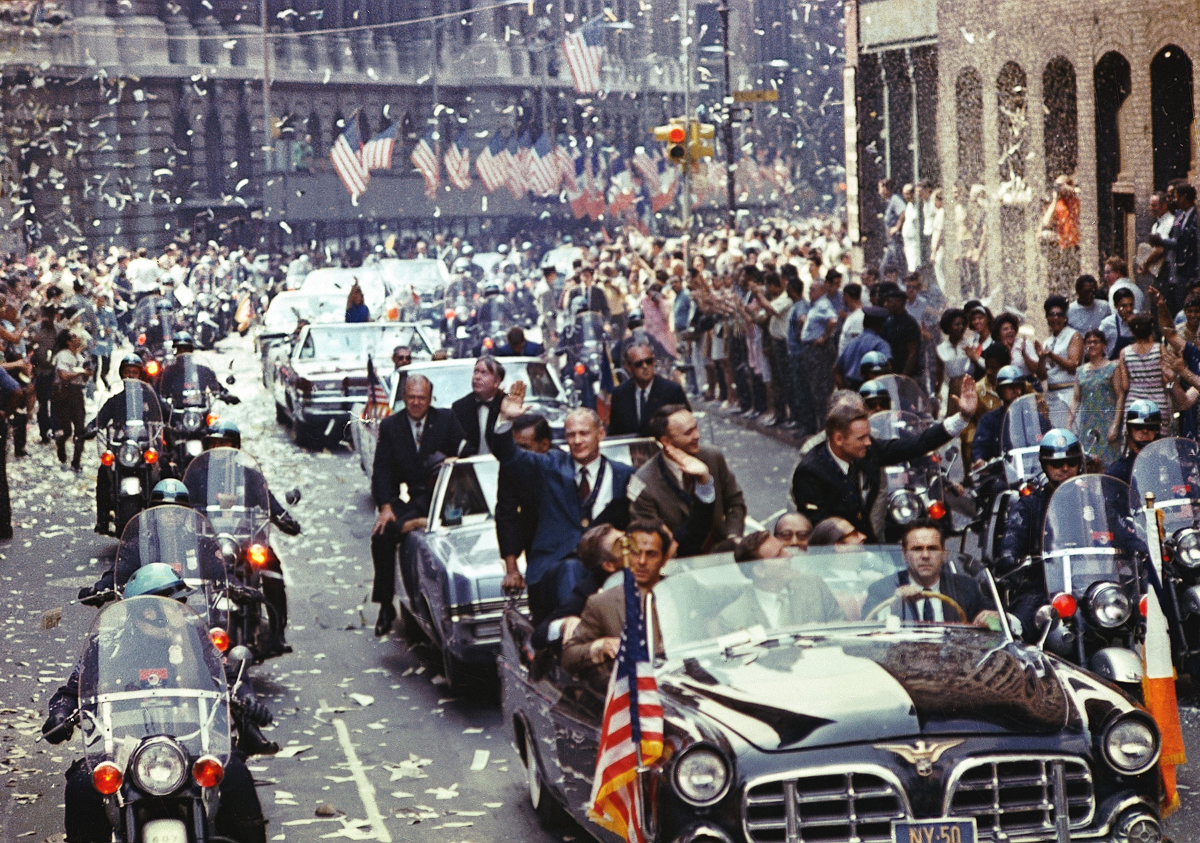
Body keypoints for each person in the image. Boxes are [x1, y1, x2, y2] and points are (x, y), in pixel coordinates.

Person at [43, 590, 269, 843]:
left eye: (180, 602)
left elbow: (227, 676)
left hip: (194, 739)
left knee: (236, 775)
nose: (180, 608)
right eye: (174, 602)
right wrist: (60, 714)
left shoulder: (197, 637)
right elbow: (72, 690)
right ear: (146, 612)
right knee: (82, 788)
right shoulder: (105, 645)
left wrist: (247, 698)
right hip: (120, 747)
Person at [495, 385, 635, 624]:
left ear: (600, 435)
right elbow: (510, 456)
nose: (577, 441)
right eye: (571, 435)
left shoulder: (624, 475)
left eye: (584, 433)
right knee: (571, 570)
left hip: (606, 566)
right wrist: (505, 421)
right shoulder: (550, 466)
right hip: (554, 567)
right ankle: (574, 639)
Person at [790, 375, 978, 543]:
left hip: (871, 543)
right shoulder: (810, 471)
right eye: (861, 438)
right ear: (838, 438)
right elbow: (818, 529)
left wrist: (963, 417)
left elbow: (917, 444)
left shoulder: (869, 449)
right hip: (835, 555)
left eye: (868, 436)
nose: (868, 443)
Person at [370, 375, 465, 636]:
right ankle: (386, 605)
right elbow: (382, 470)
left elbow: (462, 458)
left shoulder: (446, 420)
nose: (415, 402)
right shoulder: (391, 426)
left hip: (445, 498)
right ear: (403, 397)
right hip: (414, 498)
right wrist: (386, 506)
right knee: (382, 534)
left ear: (430, 398)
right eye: (410, 397)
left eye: (421, 397)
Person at [997, 429, 1083, 637]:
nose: (1065, 468)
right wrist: (1010, 555)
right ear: (1045, 466)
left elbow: (1117, 531)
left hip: (1087, 584)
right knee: (1016, 629)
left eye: (1071, 462)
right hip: (1042, 588)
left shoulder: (1091, 500)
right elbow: (1012, 538)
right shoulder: (1029, 506)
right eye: (1056, 464)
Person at [562, 519, 672, 677]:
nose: (642, 561)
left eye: (651, 554)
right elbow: (569, 656)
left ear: (664, 559)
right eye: (635, 552)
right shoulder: (602, 602)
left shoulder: (682, 591)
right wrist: (600, 646)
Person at [628, 405, 745, 550]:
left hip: (723, 551)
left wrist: (732, 538)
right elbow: (656, 540)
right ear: (666, 441)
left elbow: (735, 502)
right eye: (688, 432)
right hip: (681, 559)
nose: (697, 435)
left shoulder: (713, 457)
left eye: (696, 428)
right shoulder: (644, 482)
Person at [863, 520, 998, 625]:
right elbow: (866, 635)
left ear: (944, 553)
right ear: (904, 554)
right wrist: (895, 605)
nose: (925, 555)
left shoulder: (967, 587)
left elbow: (996, 625)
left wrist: (992, 620)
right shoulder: (881, 589)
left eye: (932, 548)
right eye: (917, 549)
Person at [716, 531, 844, 633]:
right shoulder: (733, 618)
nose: (789, 555)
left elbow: (841, 628)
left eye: (784, 549)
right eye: (778, 555)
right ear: (759, 571)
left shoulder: (814, 585)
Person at [531, 524, 624, 653]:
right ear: (609, 565)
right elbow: (539, 635)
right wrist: (564, 624)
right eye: (621, 544)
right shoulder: (589, 590)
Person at [497, 413, 553, 591]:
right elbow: (506, 514)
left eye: (524, 447)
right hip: (534, 547)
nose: (517, 454)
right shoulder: (510, 466)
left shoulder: (564, 465)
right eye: (515, 447)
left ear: (544, 445)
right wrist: (512, 570)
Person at [607, 341, 688, 437]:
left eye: (649, 361)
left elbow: (686, 427)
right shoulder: (619, 394)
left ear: (654, 361)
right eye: (638, 364)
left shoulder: (672, 390)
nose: (645, 366)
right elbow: (615, 433)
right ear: (628, 367)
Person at [1073, 329, 1124, 466]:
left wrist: (1115, 424)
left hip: (1107, 423)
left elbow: (1120, 396)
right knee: (1090, 463)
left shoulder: (1112, 367)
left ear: (1104, 345)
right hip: (1088, 425)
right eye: (1089, 342)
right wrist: (1069, 424)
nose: (1092, 345)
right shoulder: (1080, 371)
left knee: (1109, 464)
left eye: (1096, 342)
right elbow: (1076, 399)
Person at [1035, 295, 1083, 413]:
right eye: (1052, 315)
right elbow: (1042, 376)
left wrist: (1052, 355)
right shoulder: (1048, 341)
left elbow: (1074, 366)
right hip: (1051, 394)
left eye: (1059, 315)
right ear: (1047, 318)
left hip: (1069, 392)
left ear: (1065, 318)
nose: (1055, 318)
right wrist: (1042, 358)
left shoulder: (1073, 335)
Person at [451, 356, 505, 457]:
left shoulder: (506, 404)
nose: (477, 377)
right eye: (476, 372)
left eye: (484, 373)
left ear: (496, 381)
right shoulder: (460, 407)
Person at [971, 365, 1028, 464]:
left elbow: (1046, 438)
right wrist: (979, 459)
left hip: (1031, 470)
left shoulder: (1033, 417)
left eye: (1018, 386)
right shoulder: (989, 420)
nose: (1015, 391)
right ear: (1000, 391)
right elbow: (980, 446)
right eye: (1010, 387)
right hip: (1001, 471)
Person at [52, 330, 92, 470]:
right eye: (74, 336)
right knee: (67, 430)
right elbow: (63, 375)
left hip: (77, 394)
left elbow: (83, 380)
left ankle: (76, 461)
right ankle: (61, 443)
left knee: (80, 429)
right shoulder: (63, 356)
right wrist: (81, 372)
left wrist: (87, 373)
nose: (77, 338)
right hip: (64, 394)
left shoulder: (80, 357)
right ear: (68, 342)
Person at [1104, 400, 1161, 485]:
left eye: (1151, 427)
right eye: (1138, 427)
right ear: (1128, 429)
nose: (1145, 431)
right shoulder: (1116, 473)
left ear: (1157, 430)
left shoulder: (1169, 467)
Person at [834, 306, 891, 390]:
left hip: (852, 390)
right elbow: (888, 368)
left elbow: (836, 369)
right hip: (871, 390)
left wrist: (844, 390)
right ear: (880, 325)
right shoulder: (880, 344)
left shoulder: (852, 342)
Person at [880, 282, 921, 378]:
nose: (885, 304)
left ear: (900, 302)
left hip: (905, 375)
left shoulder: (909, 323)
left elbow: (912, 352)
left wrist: (903, 377)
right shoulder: (889, 321)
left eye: (889, 301)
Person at [878, 179, 908, 277]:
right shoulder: (888, 202)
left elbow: (903, 211)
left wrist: (897, 227)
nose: (879, 192)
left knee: (896, 268)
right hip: (891, 243)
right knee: (885, 268)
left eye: (880, 189)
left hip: (897, 242)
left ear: (886, 189)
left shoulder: (895, 199)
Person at [1099, 286, 1137, 360]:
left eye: (1131, 305)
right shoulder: (1107, 324)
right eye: (1124, 306)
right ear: (1116, 305)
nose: (1129, 309)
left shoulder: (1139, 321)